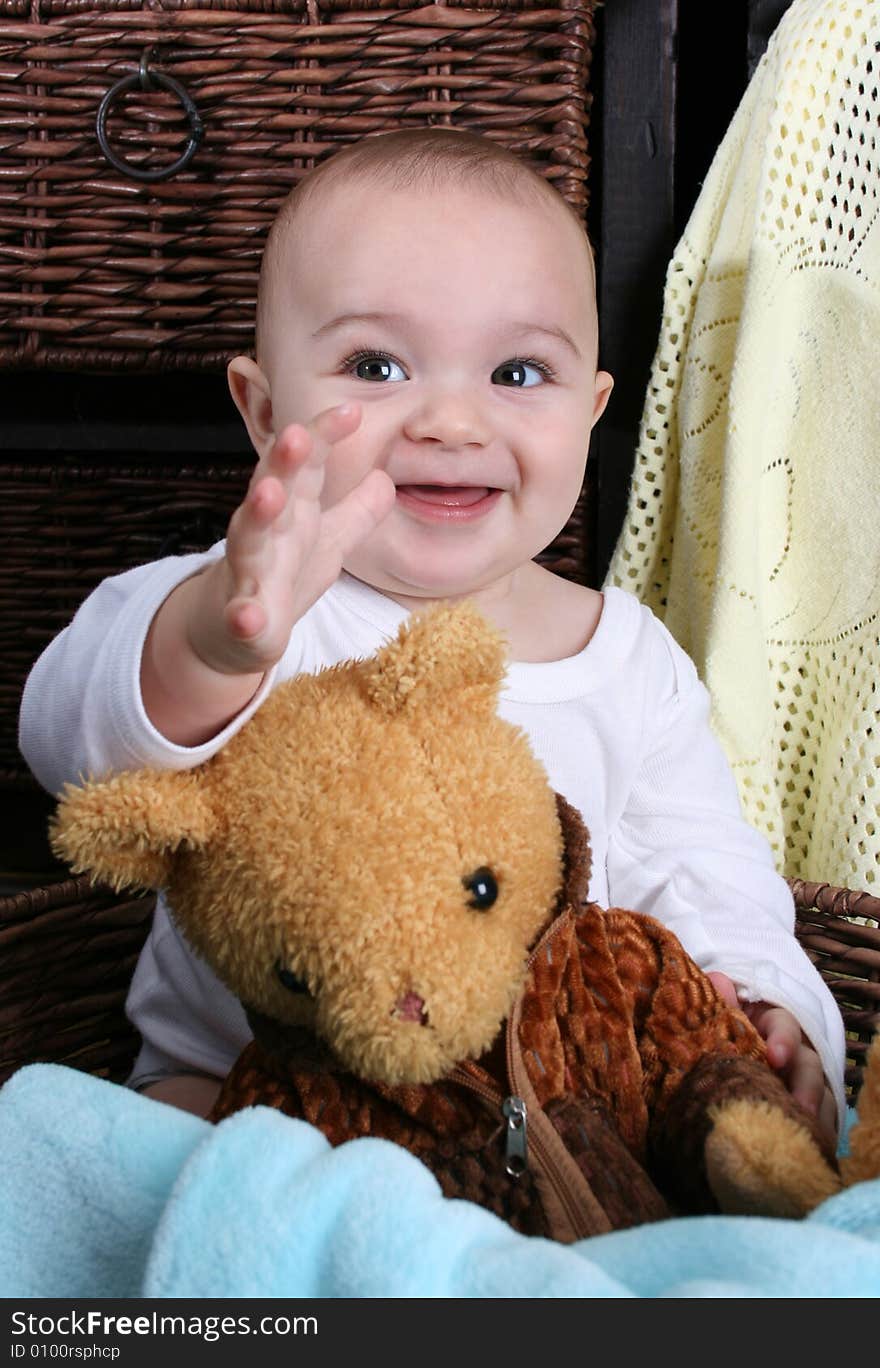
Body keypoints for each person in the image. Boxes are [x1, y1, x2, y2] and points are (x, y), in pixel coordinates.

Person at [19, 129, 844, 1138]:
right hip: (248, 1106)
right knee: (95, 1154)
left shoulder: (627, 663)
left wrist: (770, 1009)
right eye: (375, 364)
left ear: (589, 415)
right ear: (263, 408)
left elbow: (712, 873)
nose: (451, 421)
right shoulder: (254, 599)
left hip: (543, 1126)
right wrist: (217, 651)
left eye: (517, 372)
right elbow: (72, 753)